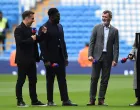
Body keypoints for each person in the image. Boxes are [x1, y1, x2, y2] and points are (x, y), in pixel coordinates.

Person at [38, 8, 77, 106]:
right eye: (57, 16)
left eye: (59, 15)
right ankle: (50, 101)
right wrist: (46, 59)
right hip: (50, 58)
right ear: (51, 16)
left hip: (60, 58)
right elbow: (42, 45)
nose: (59, 17)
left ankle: (65, 100)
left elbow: (62, 42)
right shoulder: (44, 27)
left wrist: (65, 57)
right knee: (50, 80)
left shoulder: (60, 26)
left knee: (62, 79)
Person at [14, 10, 47, 107]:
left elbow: (38, 39)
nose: (33, 20)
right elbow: (20, 43)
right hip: (23, 59)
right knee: (21, 80)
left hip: (32, 59)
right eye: (32, 18)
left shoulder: (30, 29)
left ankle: (34, 100)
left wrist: (43, 33)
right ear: (27, 18)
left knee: (33, 80)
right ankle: (19, 101)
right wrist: (31, 39)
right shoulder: (18, 29)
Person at [87, 10, 119, 106]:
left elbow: (116, 46)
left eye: (105, 16)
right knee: (94, 78)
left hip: (108, 58)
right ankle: (92, 99)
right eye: (103, 16)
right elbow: (91, 42)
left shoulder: (115, 31)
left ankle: (101, 100)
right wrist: (90, 55)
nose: (104, 18)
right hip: (96, 57)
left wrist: (115, 59)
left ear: (110, 18)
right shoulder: (96, 28)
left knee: (105, 80)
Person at [128, 33, 140, 106]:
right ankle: (139, 100)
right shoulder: (138, 34)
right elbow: (134, 46)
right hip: (138, 60)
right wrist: (131, 54)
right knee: (138, 80)